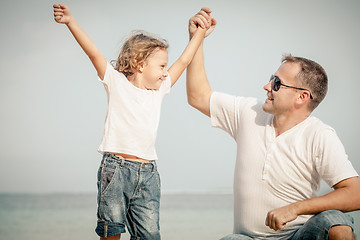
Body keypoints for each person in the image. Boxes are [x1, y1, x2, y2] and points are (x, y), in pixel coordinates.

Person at [187, 8, 360, 240]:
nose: (267, 86)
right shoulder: (248, 113)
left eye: (277, 83)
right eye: (271, 79)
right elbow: (198, 96)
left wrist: (295, 208)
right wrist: (196, 40)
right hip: (247, 238)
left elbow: (355, 194)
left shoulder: (320, 135)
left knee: (334, 222)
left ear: (301, 97)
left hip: (298, 235)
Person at [53, 4, 212, 240]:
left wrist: (200, 33)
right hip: (116, 169)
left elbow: (184, 60)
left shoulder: (158, 90)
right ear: (140, 65)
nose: (165, 72)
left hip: (148, 173)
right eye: (161, 66)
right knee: (111, 231)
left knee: (150, 235)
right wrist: (70, 22)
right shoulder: (116, 83)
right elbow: (94, 53)